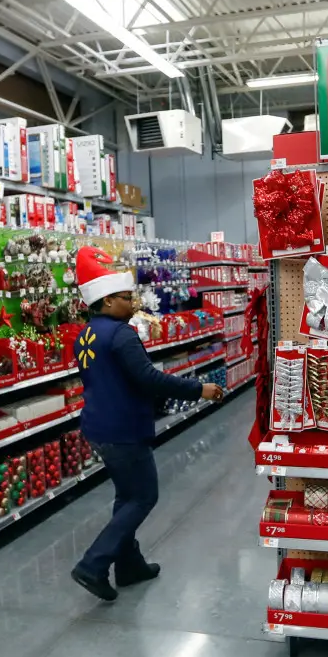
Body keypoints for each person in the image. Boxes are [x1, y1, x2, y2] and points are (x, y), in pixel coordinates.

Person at [69, 246, 224, 601]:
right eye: (126, 297)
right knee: (142, 496)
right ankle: (93, 564)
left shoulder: (88, 333)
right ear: (107, 300)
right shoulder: (121, 334)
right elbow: (149, 379)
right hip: (122, 429)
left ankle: (129, 564)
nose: (133, 302)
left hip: (98, 426)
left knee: (127, 496)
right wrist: (199, 388)